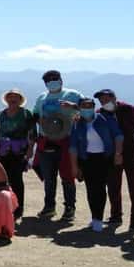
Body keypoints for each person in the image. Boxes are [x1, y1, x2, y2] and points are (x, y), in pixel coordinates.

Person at [31, 70, 82, 221]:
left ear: (61, 79)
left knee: (67, 176)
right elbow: (34, 114)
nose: (53, 81)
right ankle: (49, 207)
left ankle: (70, 207)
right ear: (45, 83)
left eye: (55, 78)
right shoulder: (42, 97)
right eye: (49, 80)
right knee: (49, 177)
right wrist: (37, 123)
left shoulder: (73, 94)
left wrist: (74, 106)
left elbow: (88, 109)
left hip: (66, 139)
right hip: (46, 139)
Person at [69, 97, 123, 232]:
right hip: (86, 159)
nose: (87, 108)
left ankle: (98, 218)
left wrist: (118, 153)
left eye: (89, 106)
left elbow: (118, 136)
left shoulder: (104, 119)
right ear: (80, 107)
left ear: (94, 107)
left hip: (104, 158)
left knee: (100, 189)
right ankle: (94, 217)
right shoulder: (77, 123)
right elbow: (73, 146)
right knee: (90, 189)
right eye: (84, 106)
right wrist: (74, 166)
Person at [95, 89, 134, 232]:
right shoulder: (100, 113)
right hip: (112, 156)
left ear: (114, 98)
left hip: (132, 154)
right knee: (113, 187)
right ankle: (116, 215)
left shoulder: (129, 109)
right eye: (101, 100)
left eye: (106, 99)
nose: (104, 103)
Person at [0, 89, 37, 220]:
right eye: (10, 97)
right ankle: (5, 206)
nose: (12, 99)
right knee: (2, 179)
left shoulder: (26, 114)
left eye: (16, 97)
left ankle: (18, 209)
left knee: (17, 180)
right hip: (2, 152)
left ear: (21, 100)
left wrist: (31, 149)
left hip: (19, 151)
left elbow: (32, 133)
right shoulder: (0, 115)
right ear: (6, 99)